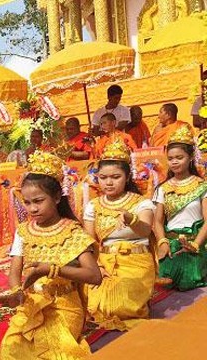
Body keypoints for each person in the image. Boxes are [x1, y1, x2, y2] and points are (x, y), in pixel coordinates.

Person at [0, 151, 101, 359]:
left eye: (38, 201)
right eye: (27, 202)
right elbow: (14, 271)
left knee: (54, 353)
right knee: (11, 349)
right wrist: (17, 292)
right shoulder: (24, 231)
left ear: (56, 197)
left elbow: (94, 275)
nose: (33, 208)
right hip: (33, 303)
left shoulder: (72, 230)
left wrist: (53, 270)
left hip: (64, 307)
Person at [84, 139, 156, 331]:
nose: (108, 182)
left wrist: (131, 218)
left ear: (127, 176)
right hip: (104, 262)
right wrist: (96, 266)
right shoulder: (93, 205)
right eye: (102, 177)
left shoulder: (141, 203)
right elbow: (90, 242)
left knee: (120, 308)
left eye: (115, 177)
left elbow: (146, 230)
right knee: (94, 305)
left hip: (135, 262)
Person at [154, 126, 207, 290]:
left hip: (196, 245)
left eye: (179, 157)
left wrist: (195, 245)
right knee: (165, 282)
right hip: (171, 245)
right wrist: (163, 243)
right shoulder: (162, 189)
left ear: (190, 157)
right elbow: (157, 221)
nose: (174, 162)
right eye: (170, 158)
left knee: (190, 281)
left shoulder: (202, 186)